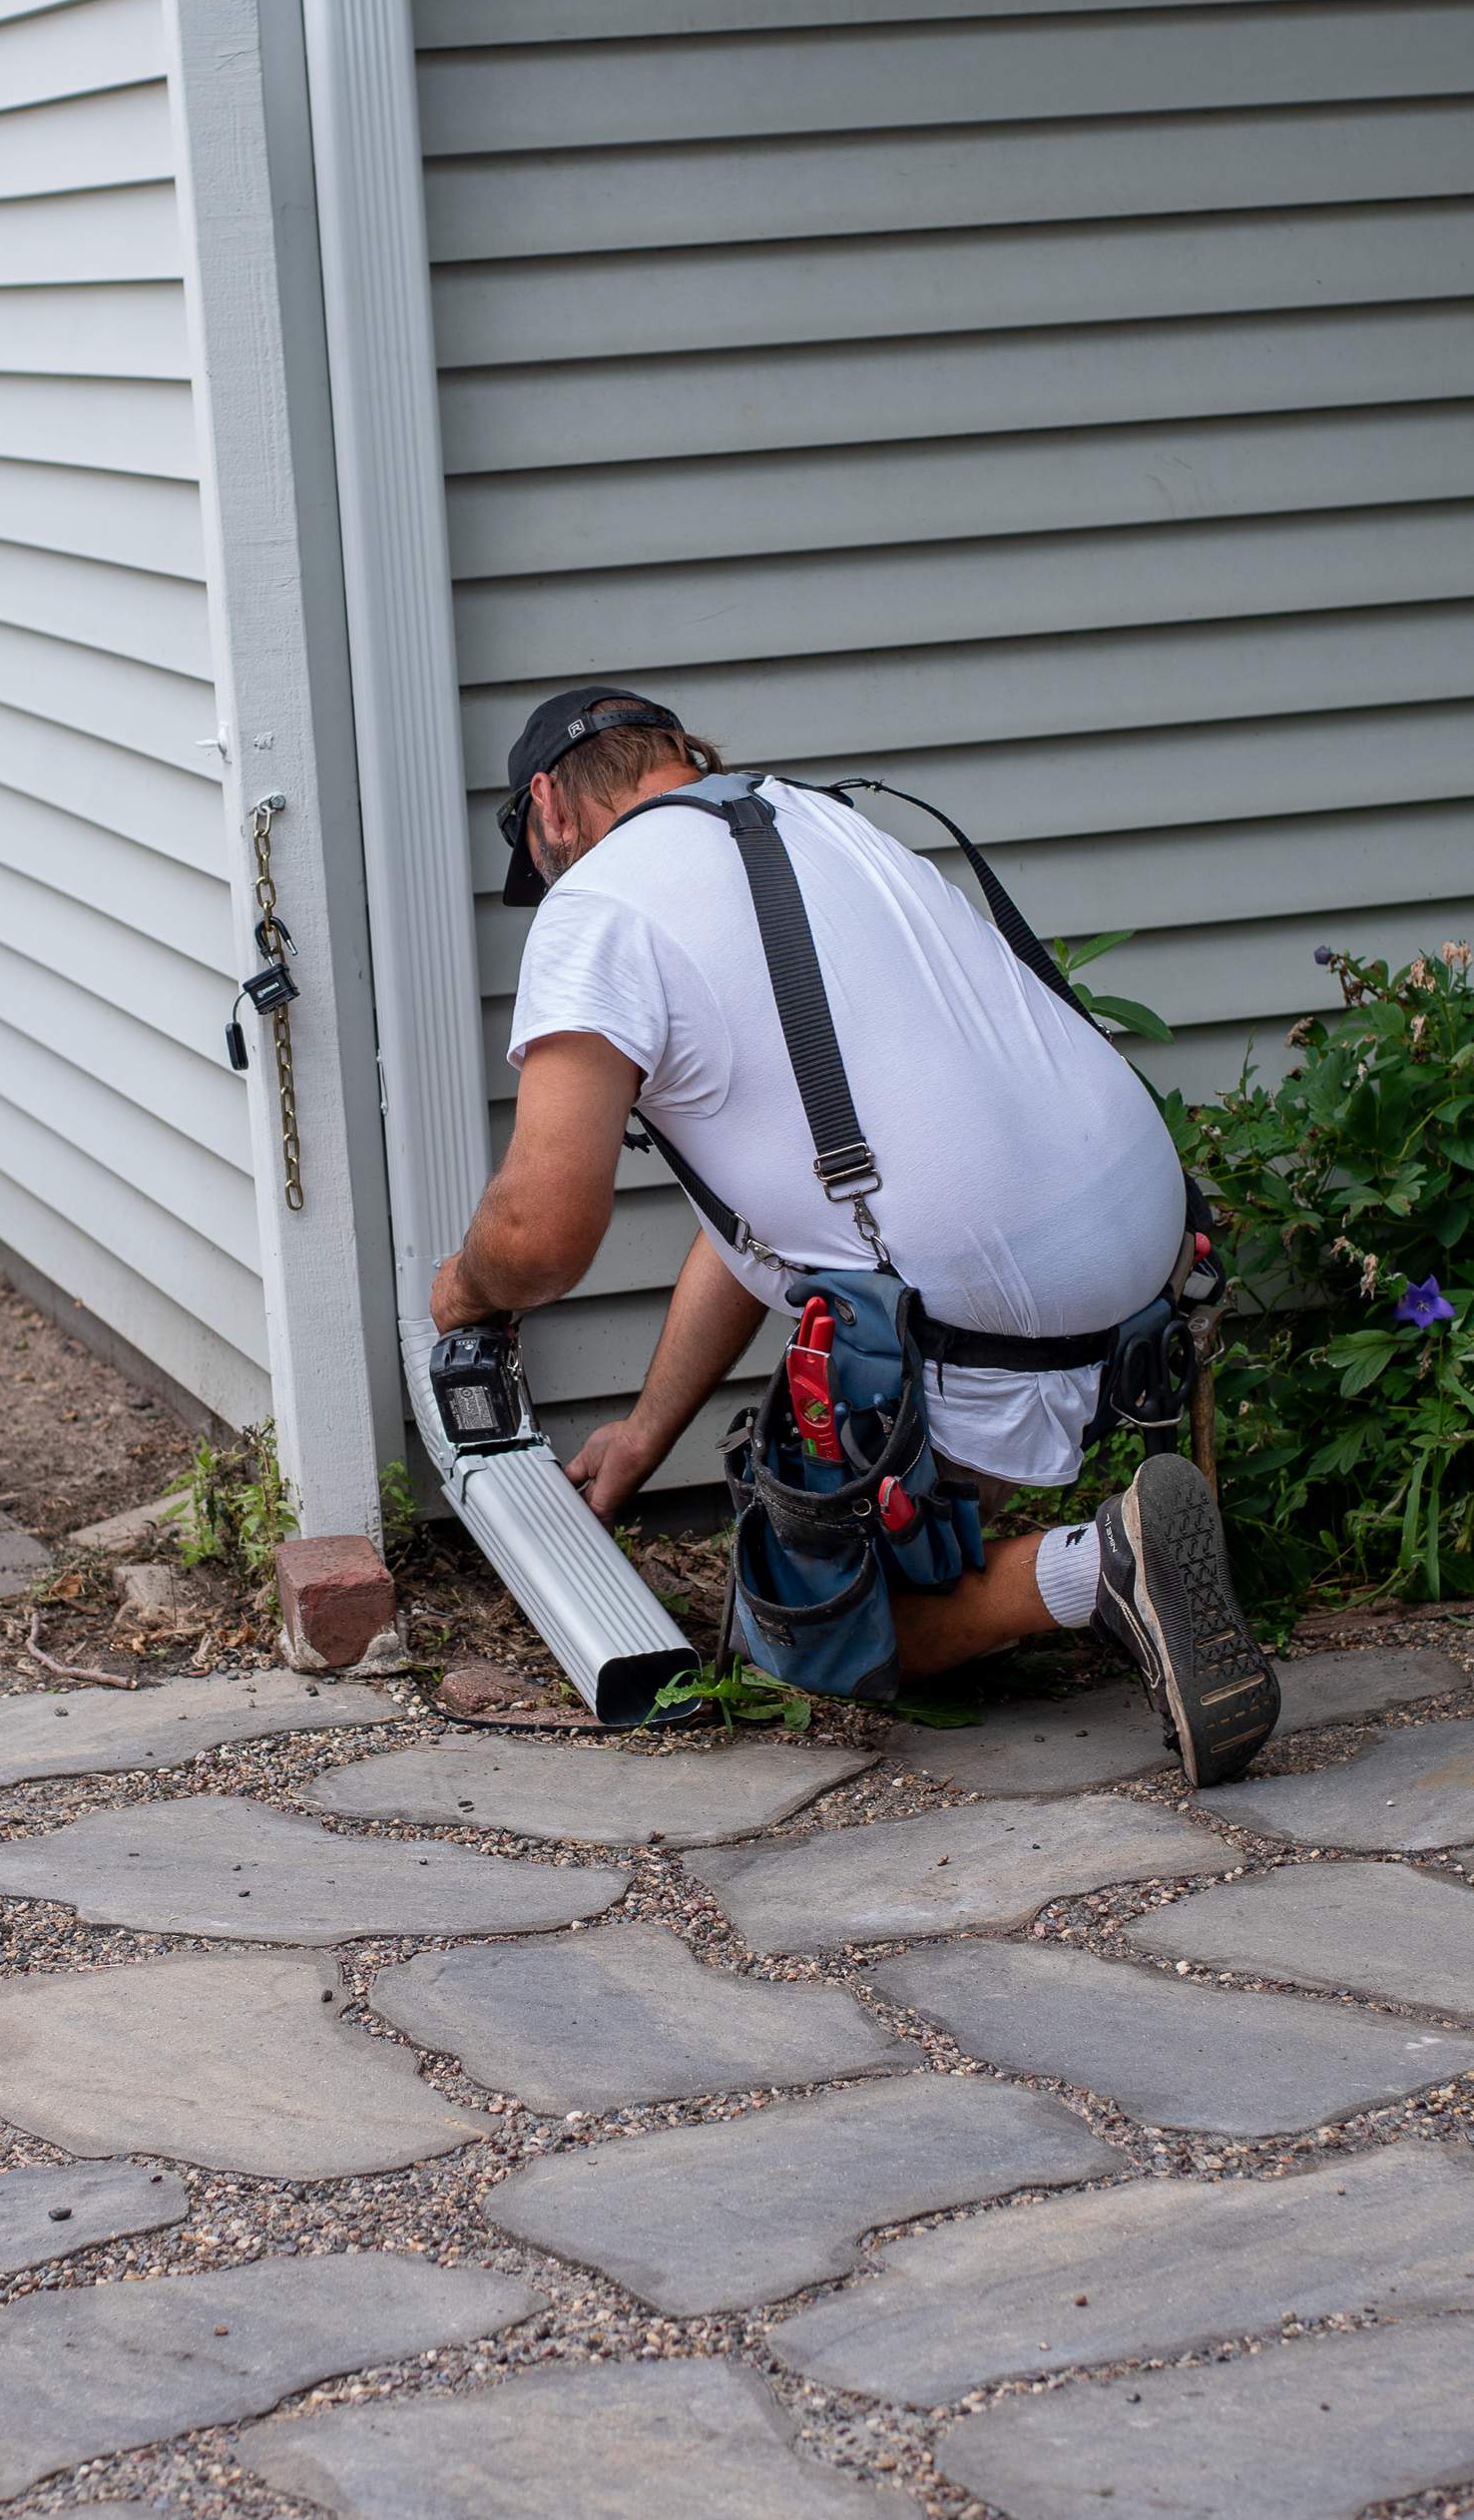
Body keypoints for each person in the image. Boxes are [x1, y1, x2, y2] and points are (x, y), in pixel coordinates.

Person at [427, 682, 1279, 1788]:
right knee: (883, 1535)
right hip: (1145, 1275)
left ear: (548, 807)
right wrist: (645, 1433)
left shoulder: (597, 906)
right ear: (678, 760)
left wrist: (462, 1294)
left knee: (807, 1633)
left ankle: (1100, 1563)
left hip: (997, 1319)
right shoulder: (821, 821)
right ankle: (1094, 1543)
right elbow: (765, 1222)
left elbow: (538, 1236)